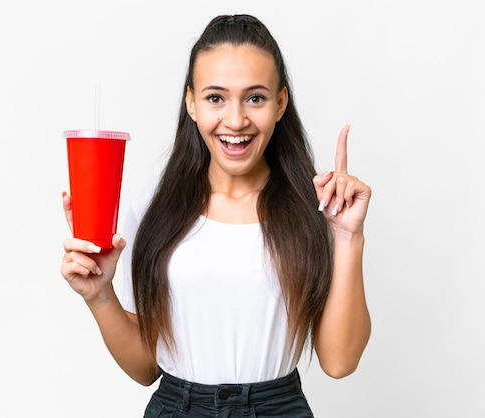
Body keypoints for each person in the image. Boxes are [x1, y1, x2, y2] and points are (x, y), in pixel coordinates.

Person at [61, 14, 371, 417]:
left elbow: (339, 361)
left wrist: (348, 237)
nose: (236, 119)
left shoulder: (317, 209)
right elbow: (145, 367)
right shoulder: (156, 211)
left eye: (255, 97)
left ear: (280, 104)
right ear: (191, 102)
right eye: (215, 97)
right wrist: (100, 295)